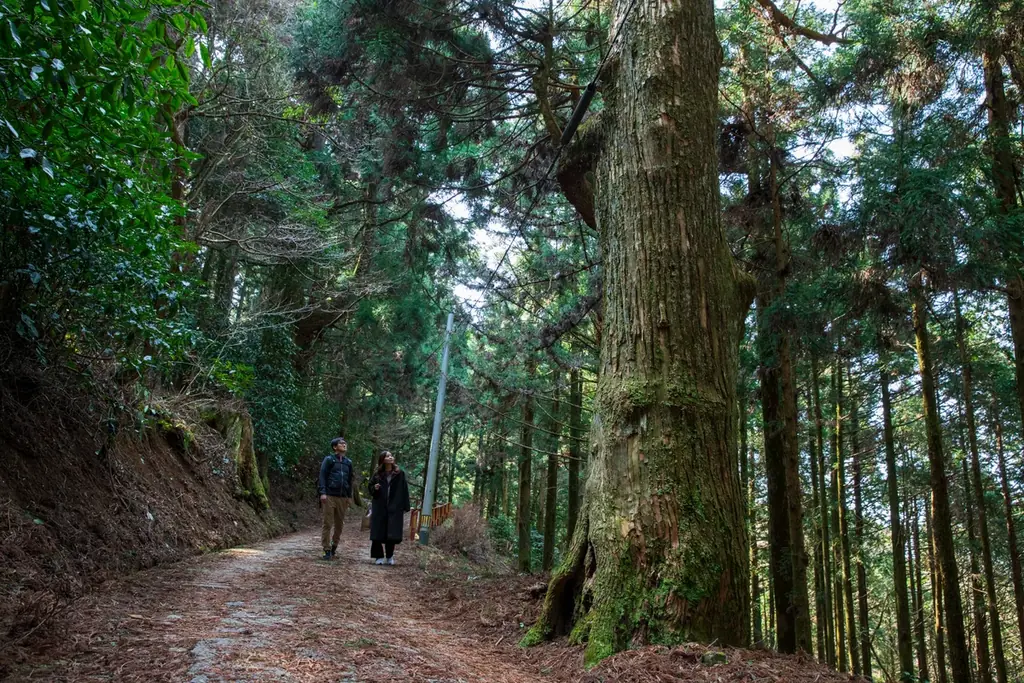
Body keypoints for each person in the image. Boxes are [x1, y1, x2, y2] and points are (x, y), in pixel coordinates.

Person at [367, 450, 410, 565]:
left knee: (391, 532)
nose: (390, 457)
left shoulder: (399, 474)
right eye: (387, 456)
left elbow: (404, 490)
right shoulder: (377, 474)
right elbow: (370, 487)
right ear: (382, 460)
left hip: (394, 507)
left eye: (391, 455)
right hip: (379, 506)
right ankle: (378, 556)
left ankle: (390, 556)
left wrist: (406, 506)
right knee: (377, 532)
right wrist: (374, 488)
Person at [318, 437, 354, 560]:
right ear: (335, 447)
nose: (344, 444)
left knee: (339, 525)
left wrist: (349, 496)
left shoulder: (348, 462)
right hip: (329, 495)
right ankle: (326, 549)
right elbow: (322, 476)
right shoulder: (329, 460)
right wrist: (322, 492)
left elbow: (350, 480)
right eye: (341, 443)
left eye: (345, 443)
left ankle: (334, 546)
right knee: (328, 523)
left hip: (343, 498)